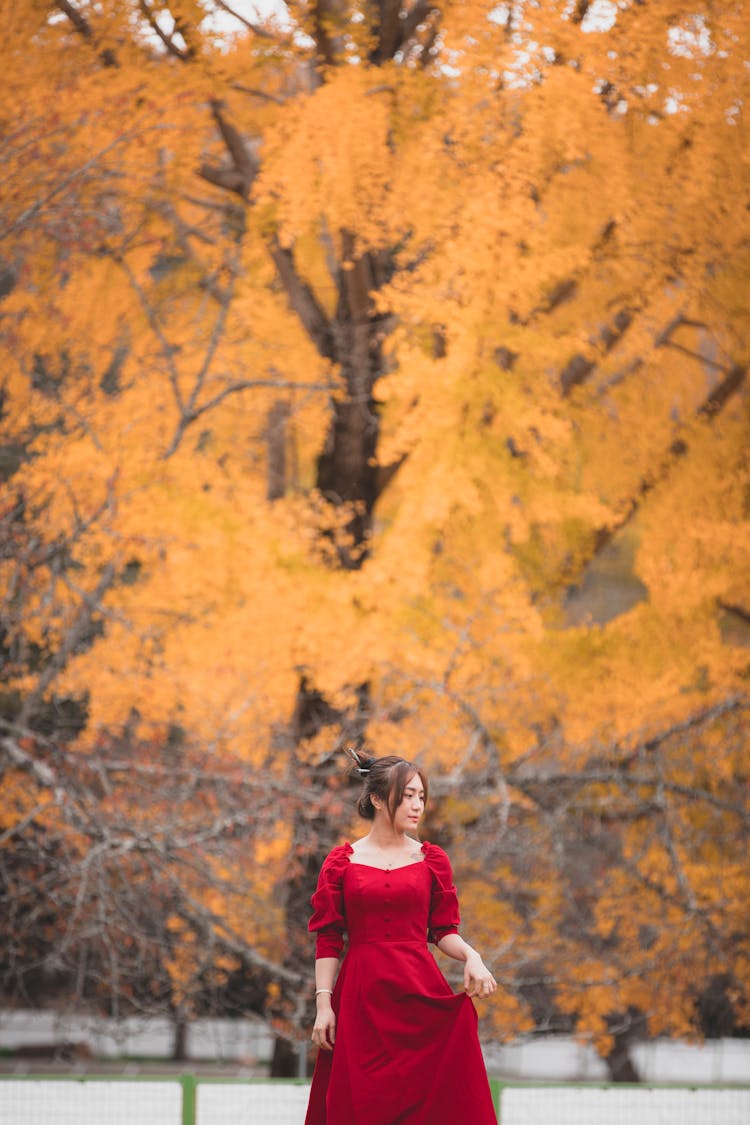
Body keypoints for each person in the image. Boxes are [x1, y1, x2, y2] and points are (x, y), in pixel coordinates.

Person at [304, 752, 498, 1125]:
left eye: (422, 797)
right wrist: (324, 1005)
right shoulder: (341, 862)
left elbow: (443, 932)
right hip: (361, 1000)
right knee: (361, 1105)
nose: (417, 806)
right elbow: (328, 939)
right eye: (408, 795)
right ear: (378, 799)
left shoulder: (432, 860)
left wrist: (472, 956)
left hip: (418, 997)